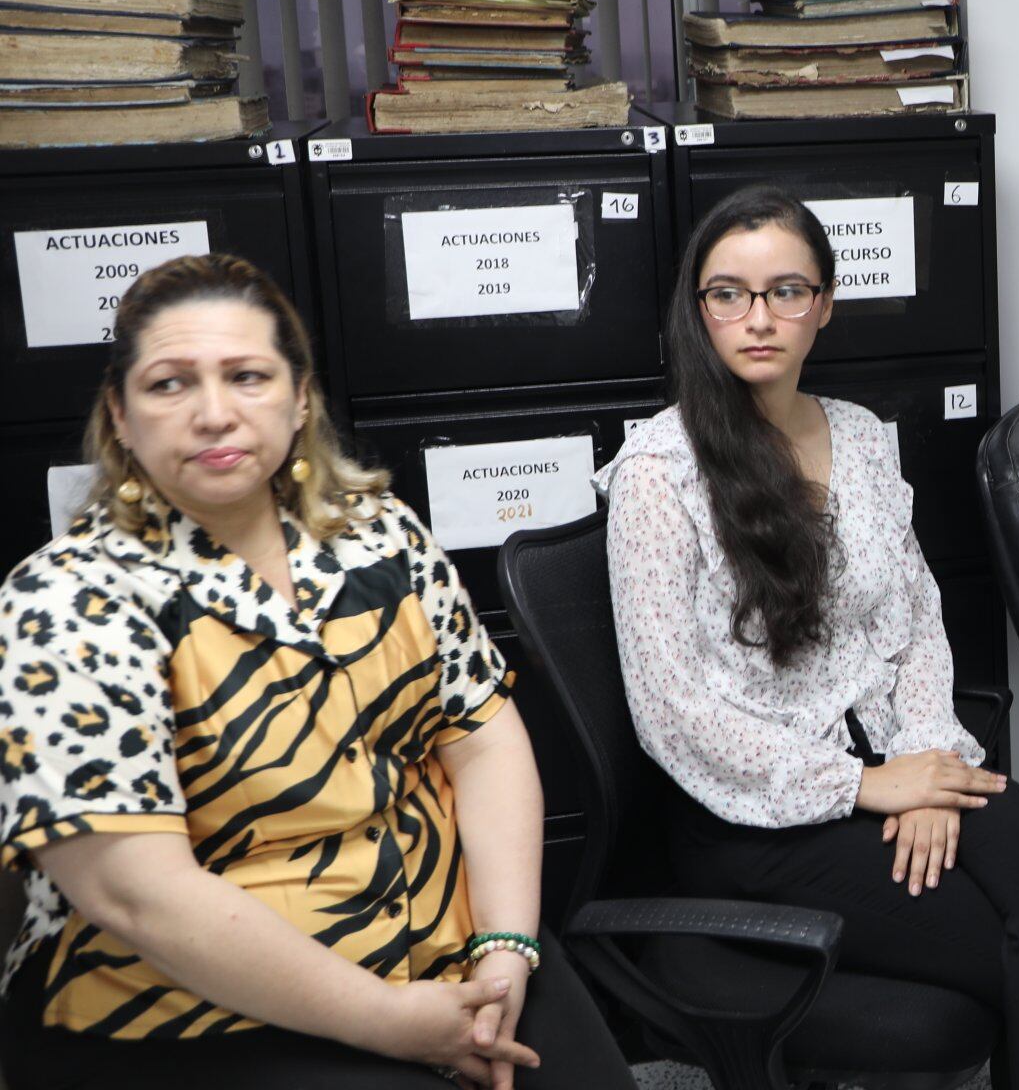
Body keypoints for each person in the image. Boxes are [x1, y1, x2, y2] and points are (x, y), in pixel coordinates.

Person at [0, 254, 633, 1090]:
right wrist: (393, 1022)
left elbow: (481, 740)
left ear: (299, 399)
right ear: (119, 414)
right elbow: (136, 894)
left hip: (449, 938)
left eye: (248, 376)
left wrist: (507, 946)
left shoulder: (379, 535)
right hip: (196, 1003)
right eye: (169, 385)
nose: (214, 414)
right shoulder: (67, 599)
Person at [596, 186, 1019, 1090]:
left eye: (786, 291)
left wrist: (921, 766)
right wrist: (868, 786)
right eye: (729, 294)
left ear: (825, 305)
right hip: (760, 813)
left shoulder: (862, 438)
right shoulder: (659, 472)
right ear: (699, 309)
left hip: (899, 760)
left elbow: (913, 617)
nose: (758, 318)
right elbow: (669, 711)